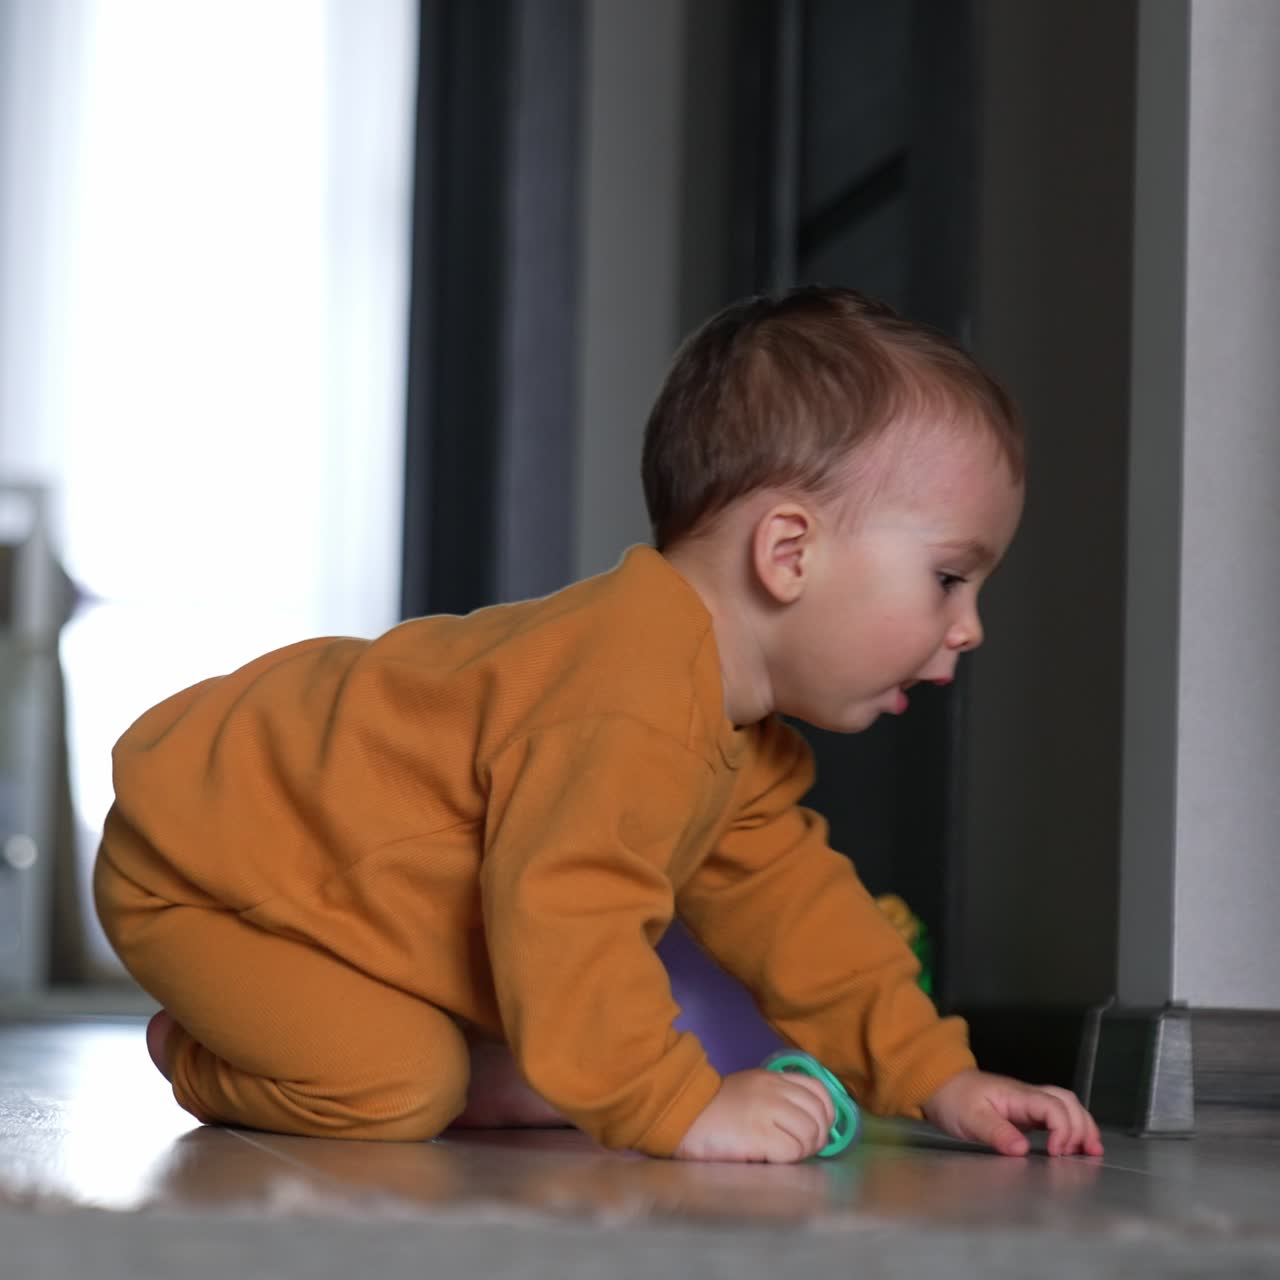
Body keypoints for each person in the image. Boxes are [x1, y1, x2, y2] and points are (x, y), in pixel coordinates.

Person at [95, 286, 1104, 1163]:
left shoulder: (731, 732)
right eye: (947, 578)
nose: (967, 629)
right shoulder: (622, 698)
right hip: (208, 874)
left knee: (502, 1046)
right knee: (396, 1087)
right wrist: (678, 1104)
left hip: (325, 890)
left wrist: (943, 1077)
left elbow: (805, 922)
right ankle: (195, 1048)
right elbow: (564, 914)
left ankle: (452, 1069)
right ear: (787, 551)